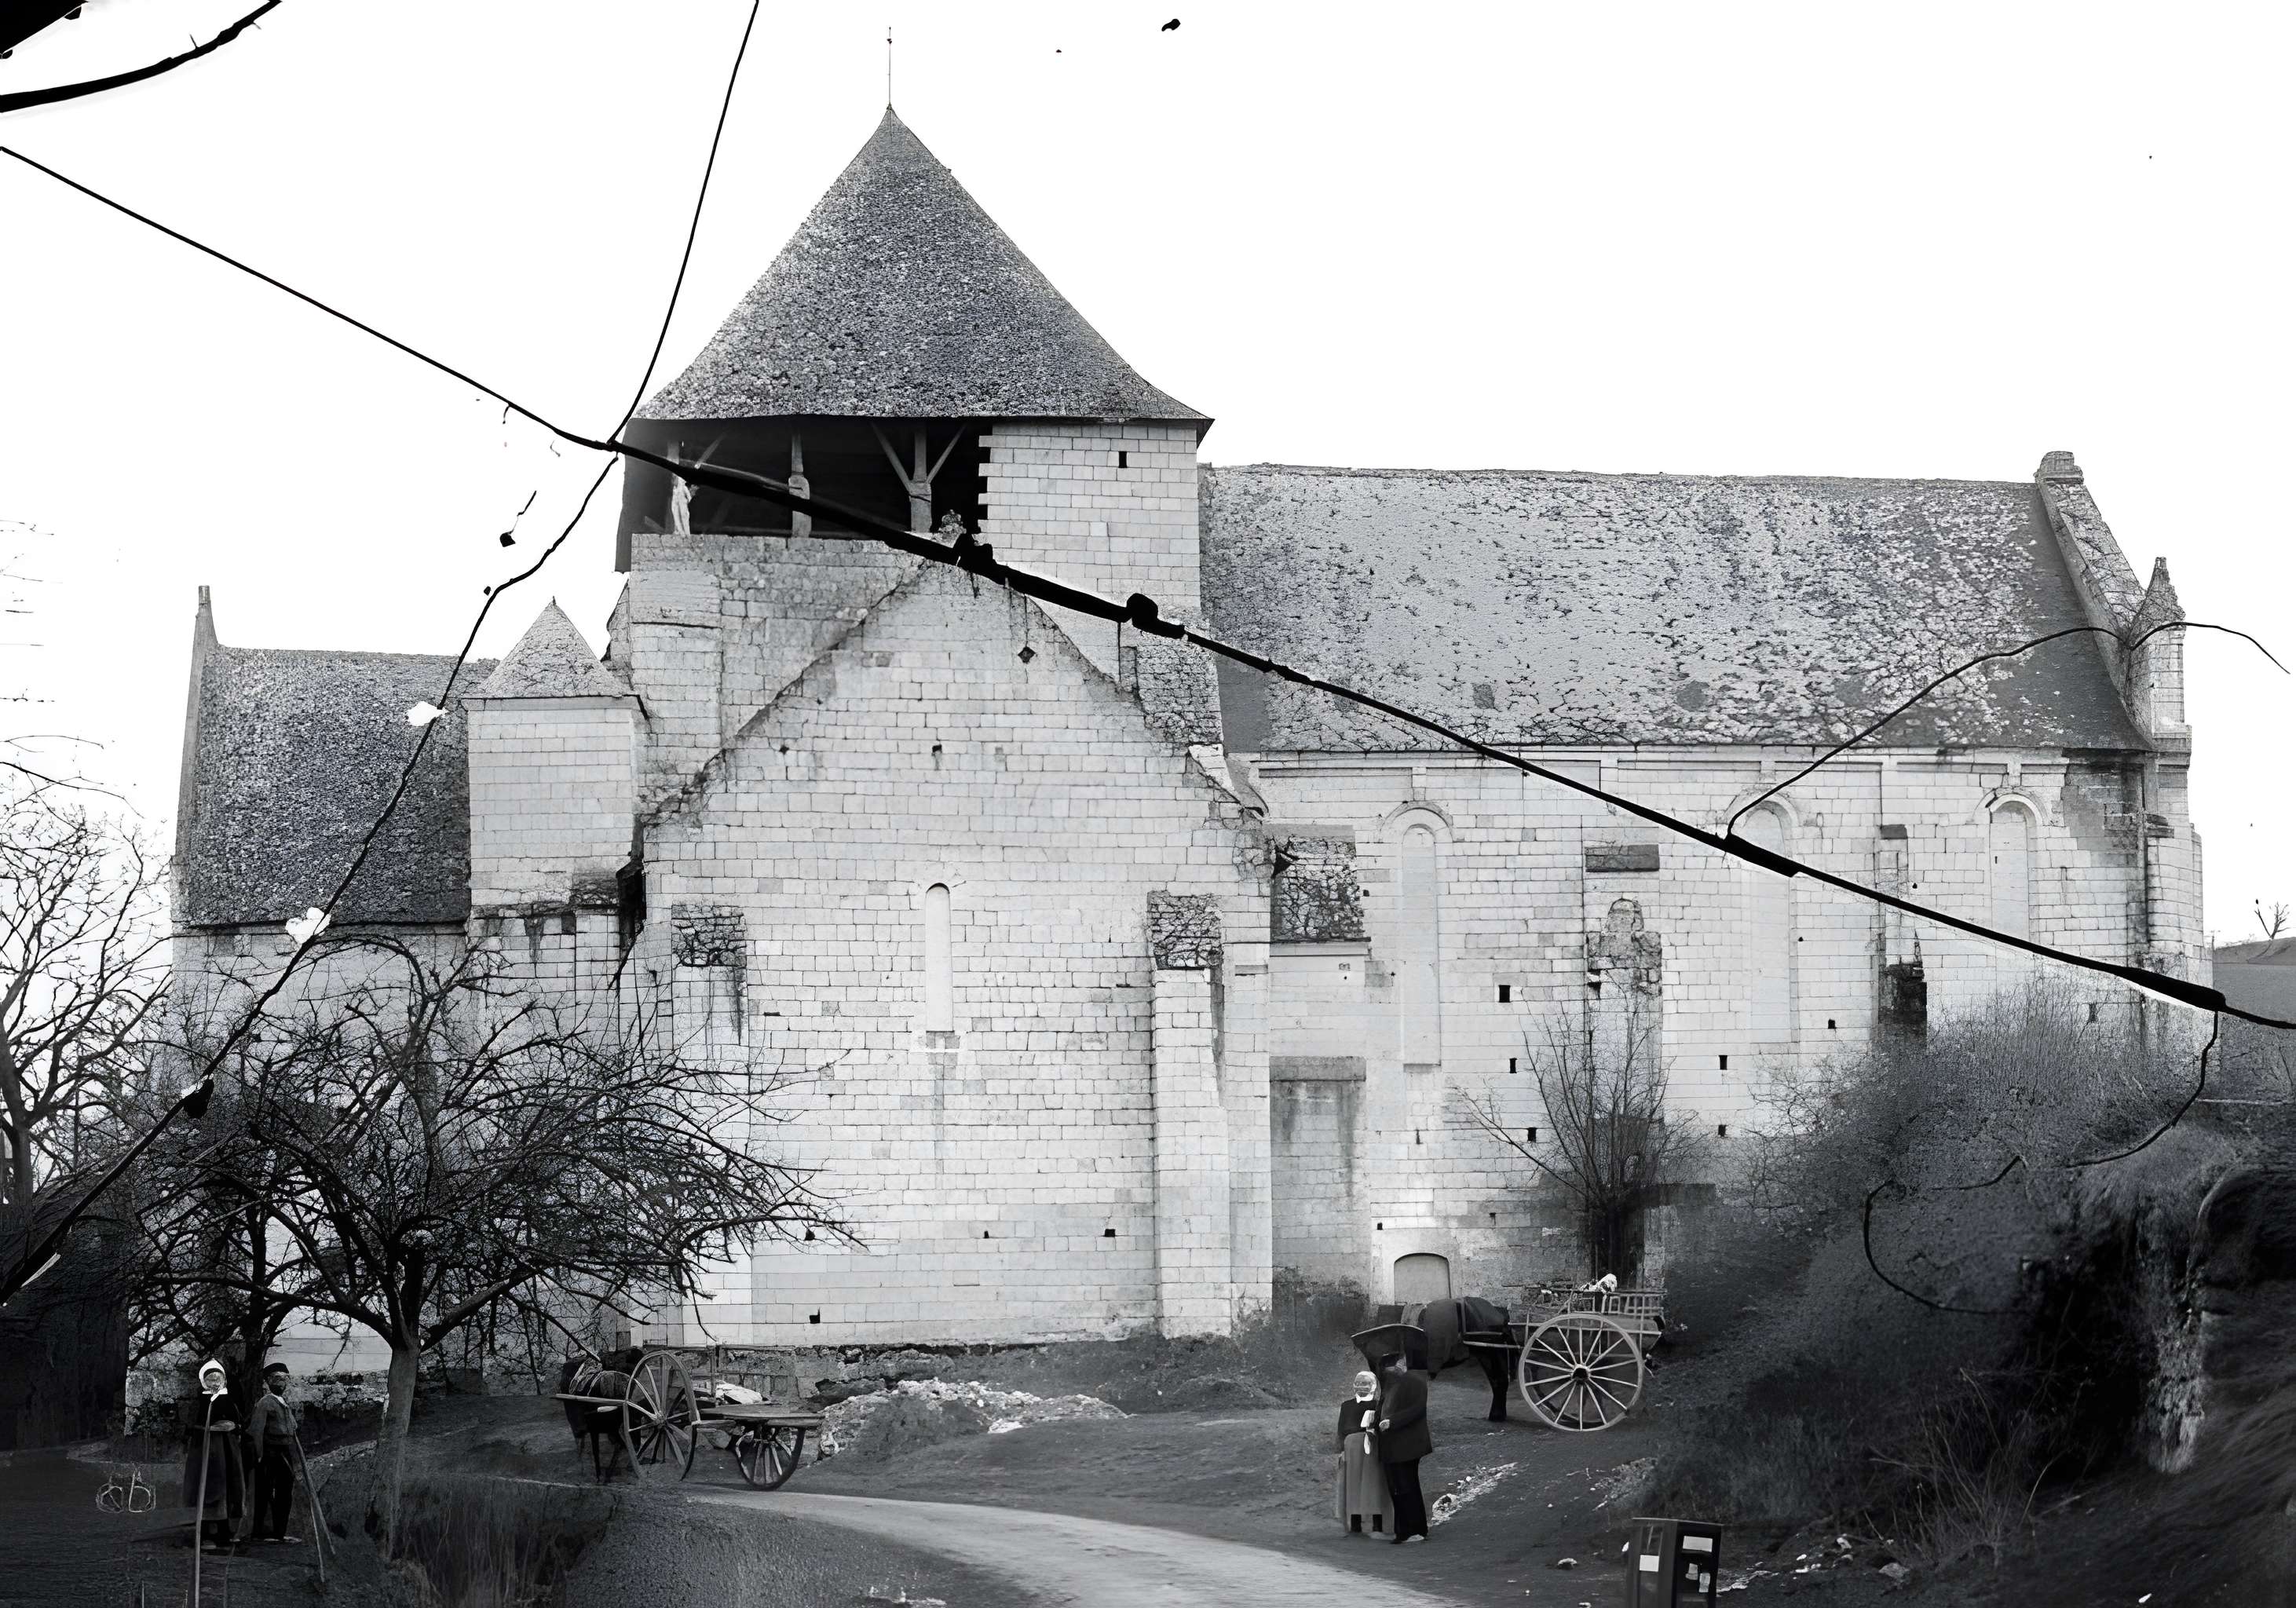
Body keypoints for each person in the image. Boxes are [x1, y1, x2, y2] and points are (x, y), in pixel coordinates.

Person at [178, 1360, 245, 1551]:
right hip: (206, 1449)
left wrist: (235, 1427)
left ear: (224, 1381)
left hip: (228, 1449)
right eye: (210, 1380)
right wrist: (205, 1428)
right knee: (208, 1488)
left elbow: (240, 1420)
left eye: (218, 1379)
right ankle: (207, 1534)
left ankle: (225, 1532)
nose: (215, 1384)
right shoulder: (200, 1400)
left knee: (228, 1488)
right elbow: (190, 1424)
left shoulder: (229, 1399)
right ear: (204, 1382)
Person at [1375, 1350, 1432, 1544]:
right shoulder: (1389, 1386)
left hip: (1408, 1446)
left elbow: (1417, 1409)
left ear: (1401, 1364)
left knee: (1408, 1487)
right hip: (1391, 1445)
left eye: (1390, 1366)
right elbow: (1380, 1411)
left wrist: (1392, 1422)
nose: (1387, 1371)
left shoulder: (1414, 1381)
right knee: (1396, 1488)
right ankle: (1404, 1530)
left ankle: (1415, 1530)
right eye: (1385, 1367)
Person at [243, 1361, 304, 1544]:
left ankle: (279, 1532)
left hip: (285, 1451)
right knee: (264, 1492)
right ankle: (260, 1532)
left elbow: (292, 1428)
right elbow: (256, 1431)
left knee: (285, 1491)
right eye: (277, 1379)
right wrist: (260, 1455)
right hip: (269, 1453)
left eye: (285, 1379)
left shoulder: (284, 1403)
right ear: (269, 1381)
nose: (282, 1383)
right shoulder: (265, 1403)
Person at [1334, 1369, 1393, 1536]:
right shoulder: (1346, 1405)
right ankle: (1355, 1525)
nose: (1361, 1386)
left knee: (1372, 1483)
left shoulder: (1378, 1404)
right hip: (1350, 1448)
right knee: (1352, 1485)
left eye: (1365, 1383)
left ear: (1373, 1385)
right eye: (1358, 1382)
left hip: (1371, 1448)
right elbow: (1341, 1430)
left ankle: (1377, 1525)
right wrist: (1341, 1451)